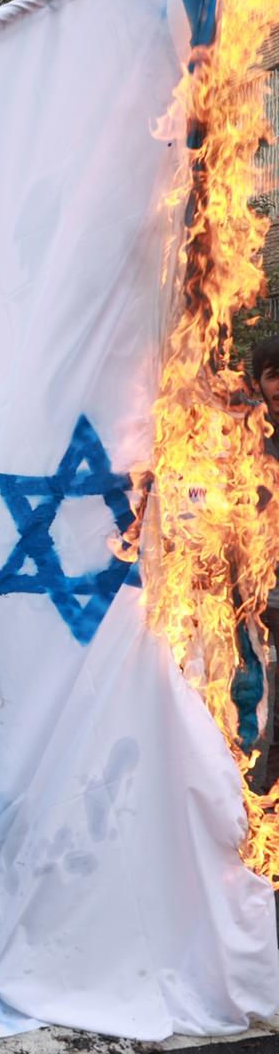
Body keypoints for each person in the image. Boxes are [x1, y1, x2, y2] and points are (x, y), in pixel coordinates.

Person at [250, 336, 279, 795]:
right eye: (273, 374)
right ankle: (261, 797)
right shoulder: (246, 434)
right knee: (264, 702)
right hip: (261, 595)